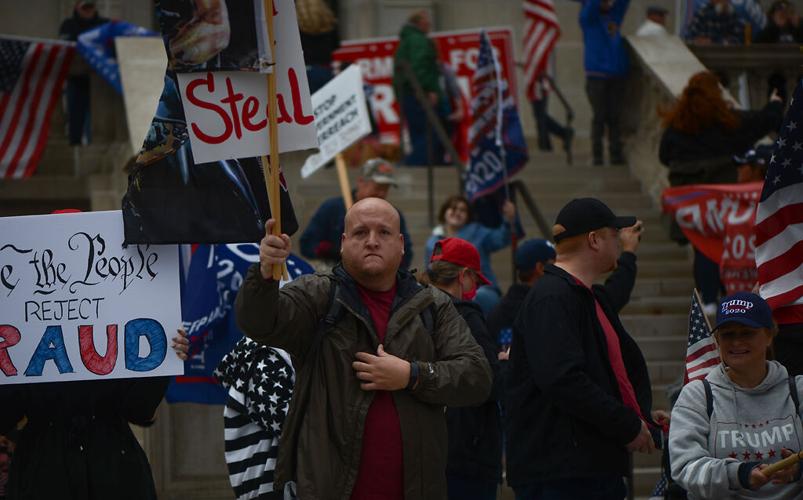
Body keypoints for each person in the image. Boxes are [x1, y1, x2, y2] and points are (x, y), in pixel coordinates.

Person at [235, 197, 493, 499]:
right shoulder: (318, 294)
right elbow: (259, 322)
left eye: (383, 233)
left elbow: (477, 377)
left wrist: (412, 375)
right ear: (343, 243)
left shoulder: (434, 305)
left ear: (401, 244)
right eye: (360, 233)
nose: (372, 241)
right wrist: (265, 273)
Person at [506, 197, 660, 500]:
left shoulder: (586, 297)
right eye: (614, 235)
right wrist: (627, 424)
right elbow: (563, 379)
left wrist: (641, 415)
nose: (619, 242)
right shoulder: (552, 297)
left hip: (589, 466)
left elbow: (600, 373)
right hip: (564, 474)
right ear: (594, 240)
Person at [0, 330, 188, 500]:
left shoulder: (118, 321)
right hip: (44, 470)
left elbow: (138, 410)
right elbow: (6, 414)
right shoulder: (27, 326)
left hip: (112, 467)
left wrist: (162, 359)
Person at [659, 71, 783, 312]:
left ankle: (707, 300)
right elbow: (760, 121)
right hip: (724, 203)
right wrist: (775, 104)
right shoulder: (727, 123)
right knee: (722, 246)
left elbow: (664, 156)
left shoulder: (676, 126)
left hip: (694, 205)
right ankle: (731, 299)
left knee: (701, 246)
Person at [669, 292, 803, 499]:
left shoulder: (799, 390)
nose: (736, 342)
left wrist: (798, 469)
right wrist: (737, 474)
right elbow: (685, 466)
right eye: (728, 334)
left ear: (769, 335)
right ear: (717, 339)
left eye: (747, 333)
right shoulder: (697, 395)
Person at [423, 238, 502, 500]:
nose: (475, 289)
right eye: (476, 282)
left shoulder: (412, 308)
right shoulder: (466, 315)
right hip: (467, 454)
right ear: (464, 275)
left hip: (424, 450)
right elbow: (487, 382)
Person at [300, 158, 413, 268]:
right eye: (378, 187)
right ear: (361, 182)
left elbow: (405, 253)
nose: (381, 192)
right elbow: (307, 244)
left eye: (386, 188)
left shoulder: (393, 215)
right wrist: (332, 250)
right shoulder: (332, 208)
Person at [425, 195, 516, 314]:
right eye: (453, 208)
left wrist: (509, 220)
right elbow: (430, 273)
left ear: (468, 216)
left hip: (480, 290)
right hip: (446, 290)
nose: (457, 212)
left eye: (462, 210)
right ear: (444, 212)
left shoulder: (479, 233)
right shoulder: (432, 242)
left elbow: (501, 239)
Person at [393, 10, 448, 166]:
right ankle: (412, 165)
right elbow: (420, 67)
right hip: (418, 93)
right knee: (431, 134)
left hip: (408, 94)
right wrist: (427, 89)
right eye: (426, 20)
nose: (429, 24)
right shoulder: (418, 40)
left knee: (418, 134)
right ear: (418, 23)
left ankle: (431, 164)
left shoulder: (407, 40)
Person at [580, 0, 631, 166]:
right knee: (599, 117)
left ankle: (616, 154)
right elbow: (593, 5)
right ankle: (597, 155)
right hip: (596, 76)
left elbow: (623, 4)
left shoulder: (613, 17)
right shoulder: (588, 18)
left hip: (616, 75)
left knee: (614, 118)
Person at [58, 1, 108, 146]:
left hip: (101, 80)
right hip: (76, 78)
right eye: (85, 7)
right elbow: (66, 48)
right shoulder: (68, 25)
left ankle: (95, 149)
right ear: (76, 7)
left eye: (90, 7)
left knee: (98, 121)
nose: (88, 10)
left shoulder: (105, 24)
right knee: (75, 119)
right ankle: (76, 149)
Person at [296, 0, 340, 93]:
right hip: (326, 71)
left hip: (304, 73)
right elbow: (335, 46)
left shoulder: (295, 24)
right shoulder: (328, 21)